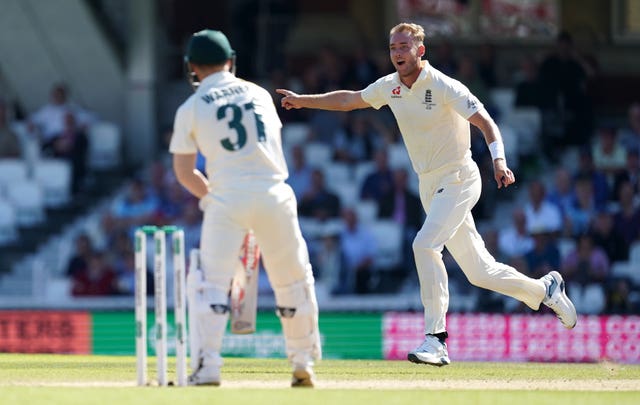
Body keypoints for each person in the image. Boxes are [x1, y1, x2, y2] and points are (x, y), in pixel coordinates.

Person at [277, 22, 577, 367]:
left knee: (424, 244)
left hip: (460, 177)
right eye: (393, 47)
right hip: (429, 185)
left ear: (421, 50)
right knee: (480, 271)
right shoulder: (389, 86)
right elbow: (350, 100)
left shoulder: (443, 85)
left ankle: (436, 340)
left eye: (404, 46)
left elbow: (486, 123)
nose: (398, 53)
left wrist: (499, 161)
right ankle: (545, 290)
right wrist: (303, 101)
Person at [169, 29, 320, 387]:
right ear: (230, 61)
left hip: (226, 196)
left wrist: (212, 199)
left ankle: (207, 367)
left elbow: (183, 171)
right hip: (274, 193)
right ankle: (302, 363)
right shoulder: (259, 93)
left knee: (211, 284)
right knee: (293, 280)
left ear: (192, 67)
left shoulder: (190, 108)